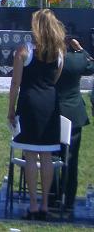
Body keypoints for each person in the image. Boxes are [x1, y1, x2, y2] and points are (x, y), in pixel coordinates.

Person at [8, 9, 66, 220]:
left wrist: (10, 109)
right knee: (47, 155)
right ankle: (44, 204)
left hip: (29, 102)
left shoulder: (24, 50)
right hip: (50, 103)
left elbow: (15, 83)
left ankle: (33, 204)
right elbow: (55, 79)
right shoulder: (60, 53)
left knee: (31, 154)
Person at [49, 36, 94, 212]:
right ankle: (68, 200)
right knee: (71, 158)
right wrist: (81, 49)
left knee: (52, 156)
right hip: (74, 112)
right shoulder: (78, 59)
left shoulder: (50, 58)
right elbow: (91, 65)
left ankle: (52, 196)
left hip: (53, 110)